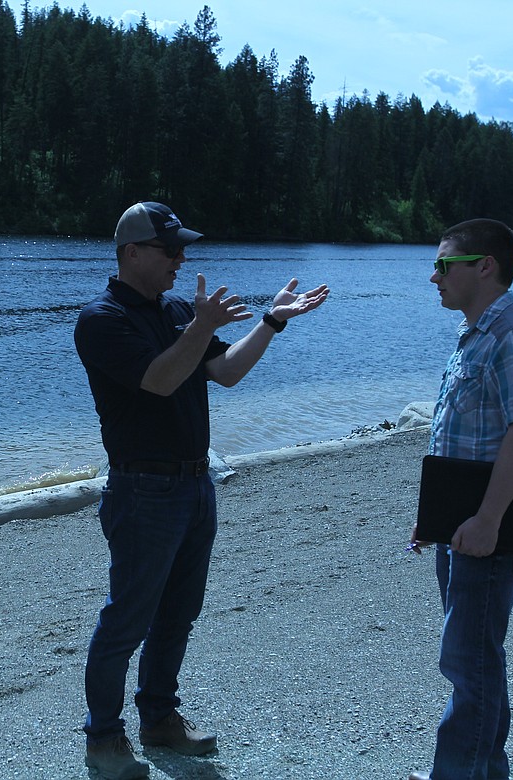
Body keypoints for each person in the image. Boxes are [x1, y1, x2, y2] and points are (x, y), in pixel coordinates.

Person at [74, 201, 330, 779]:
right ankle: (104, 739)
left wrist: (271, 321)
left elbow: (227, 372)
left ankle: (160, 719)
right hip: (142, 491)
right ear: (131, 253)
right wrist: (202, 326)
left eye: (182, 248)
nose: (181, 259)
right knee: (128, 618)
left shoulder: (175, 309)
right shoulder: (101, 319)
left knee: (179, 614)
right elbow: (160, 381)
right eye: (171, 250)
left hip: (194, 484)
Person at [408, 219, 513, 780]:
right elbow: (462, 440)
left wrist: (488, 519)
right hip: (465, 526)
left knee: (467, 662)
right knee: (476, 659)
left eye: (444, 264)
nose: (433, 276)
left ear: (484, 266)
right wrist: (436, 520)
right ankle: (482, 771)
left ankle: (457, 774)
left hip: (493, 530)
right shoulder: (476, 334)